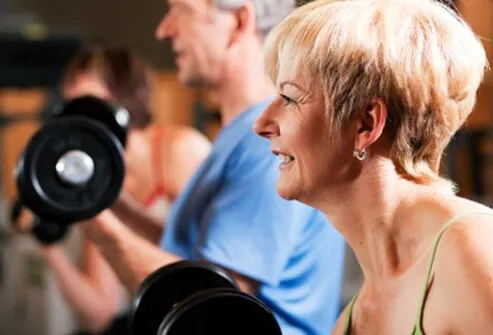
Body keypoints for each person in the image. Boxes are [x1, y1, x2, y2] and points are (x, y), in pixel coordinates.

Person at [80, 1, 347, 334]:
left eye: (182, 10)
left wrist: (97, 223)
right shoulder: (240, 134)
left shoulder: (265, 143)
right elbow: (192, 254)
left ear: (238, 23)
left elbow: (212, 305)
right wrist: (116, 208)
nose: (164, 30)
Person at [254, 0, 493, 334]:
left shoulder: (472, 252)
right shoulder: (351, 322)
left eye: (291, 98)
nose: (262, 124)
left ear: (366, 124)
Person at [24, 45, 212, 334]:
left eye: (88, 102)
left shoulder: (178, 150)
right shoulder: (96, 178)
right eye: (71, 105)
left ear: (123, 99)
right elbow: (99, 313)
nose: (78, 118)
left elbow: (212, 274)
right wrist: (48, 246)